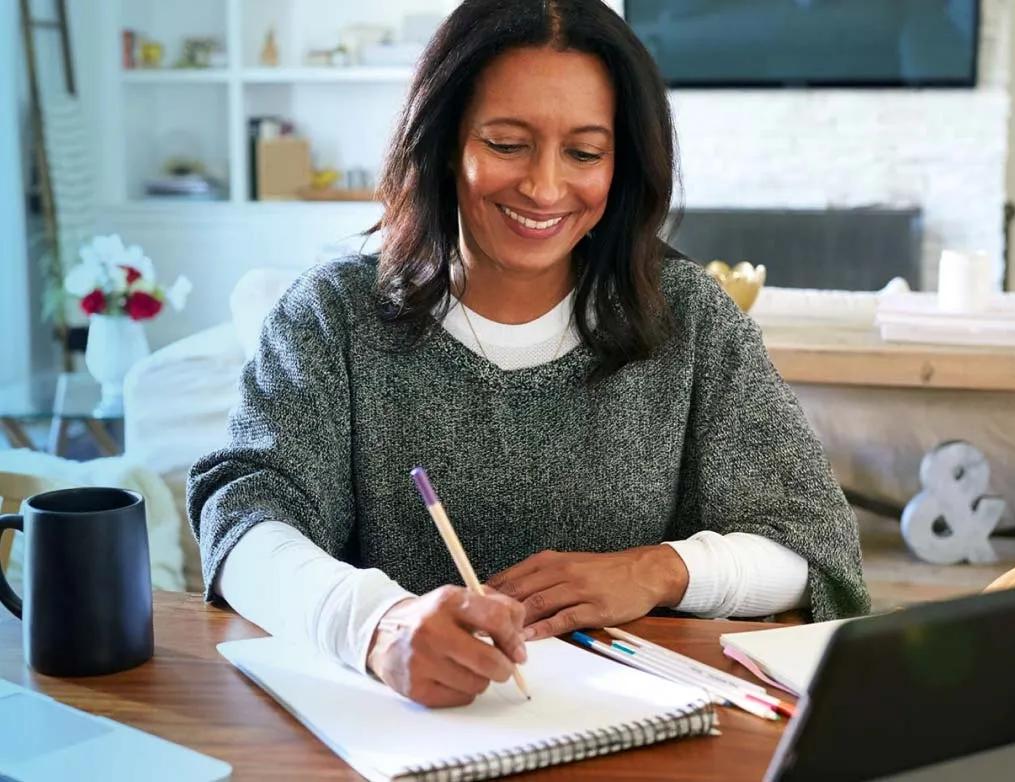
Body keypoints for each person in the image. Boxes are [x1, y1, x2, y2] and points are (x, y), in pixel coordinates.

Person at [188, 0, 869, 709]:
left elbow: (812, 551)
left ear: (623, 161)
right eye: (508, 144)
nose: (545, 188)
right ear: (447, 142)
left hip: (637, 732)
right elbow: (243, 522)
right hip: (411, 732)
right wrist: (375, 626)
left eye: (584, 152)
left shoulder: (688, 317)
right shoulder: (335, 316)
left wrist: (658, 570)